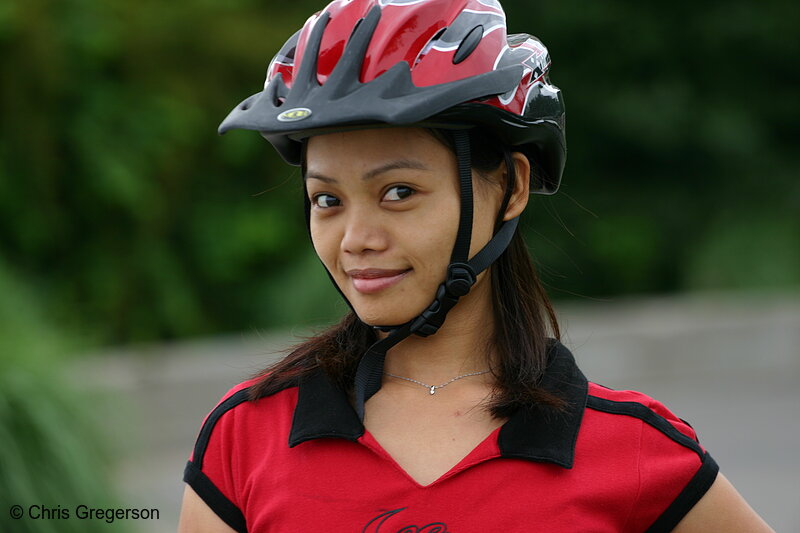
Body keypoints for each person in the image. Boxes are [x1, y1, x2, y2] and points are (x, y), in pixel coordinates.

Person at [178, 0, 773, 531]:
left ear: (511, 187)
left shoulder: (637, 450)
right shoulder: (243, 439)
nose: (356, 239)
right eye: (327, 200)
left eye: (399, 192)